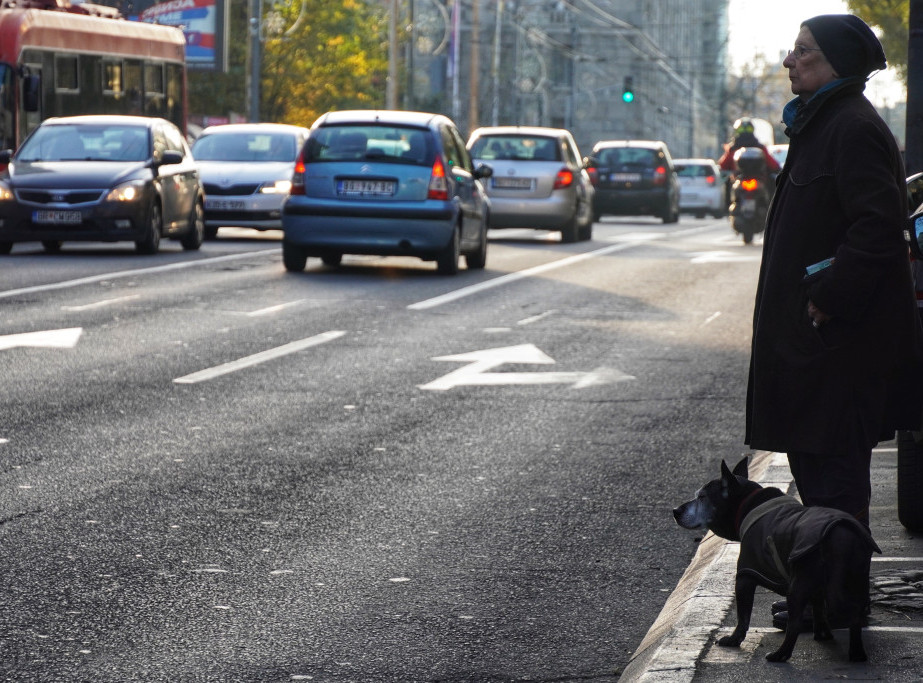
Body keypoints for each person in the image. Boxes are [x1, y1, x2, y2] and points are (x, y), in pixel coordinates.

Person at [746, 15, 923, 536]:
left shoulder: (852, 127)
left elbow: (878, 227)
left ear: (836, 64)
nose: (788, 61)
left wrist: (827, 299)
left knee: (836, 478)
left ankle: (838, 599)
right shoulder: (824, 122)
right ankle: (825, 591)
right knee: (818, 472)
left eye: (802, 52)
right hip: (817, 348)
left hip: (835, 348)